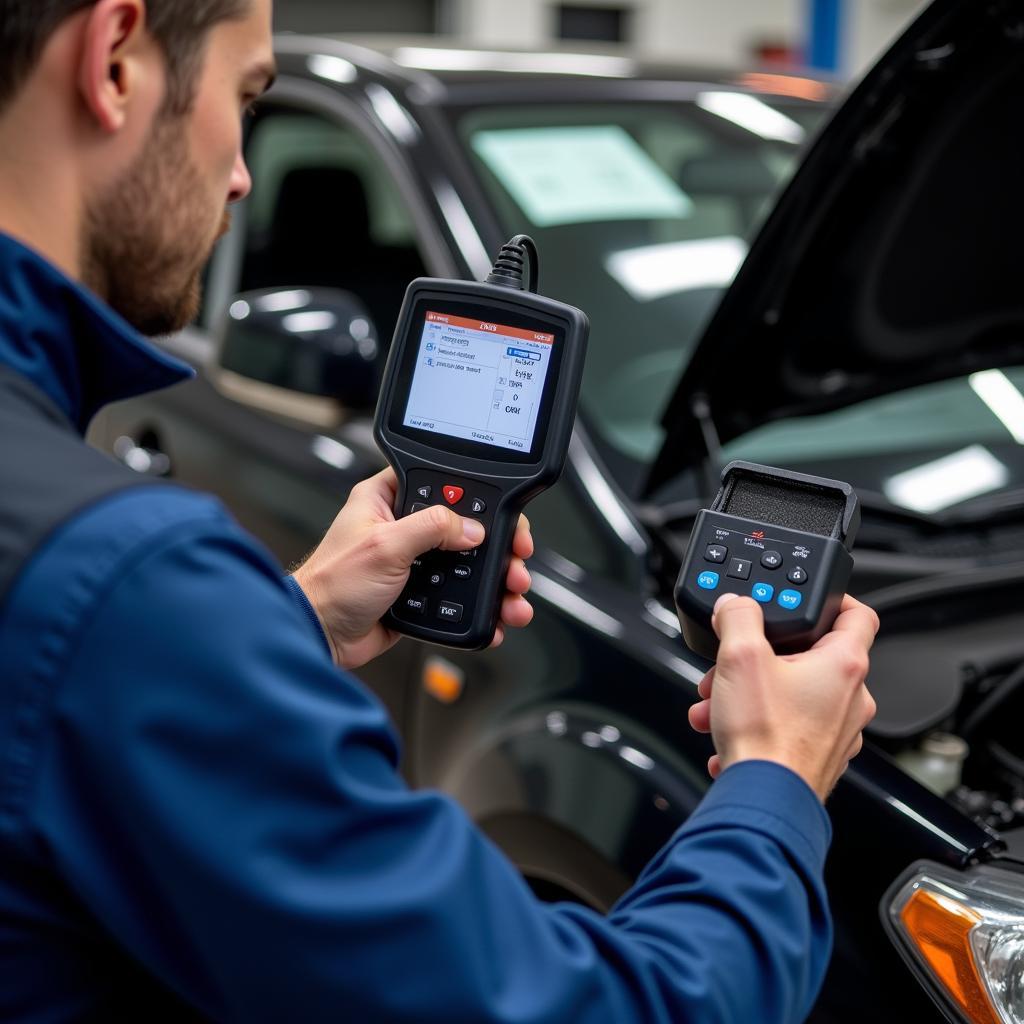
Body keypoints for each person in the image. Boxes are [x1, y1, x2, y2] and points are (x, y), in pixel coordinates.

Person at [0, 0, 879, 1020]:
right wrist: (775, 779)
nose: (242, 175)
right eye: (246, 98)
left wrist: (287, 621)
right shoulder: (127, 587)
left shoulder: (89, 571)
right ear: (114, 60)